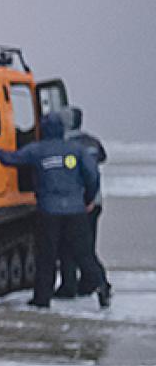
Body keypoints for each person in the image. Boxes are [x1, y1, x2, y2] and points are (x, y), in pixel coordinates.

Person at [0, 112, 110, 309]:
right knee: (84, 254)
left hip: (49, 211)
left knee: (46, 255)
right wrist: (88, 199)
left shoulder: (37, 150)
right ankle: (102, 289)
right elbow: (92, 174)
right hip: (75, 211)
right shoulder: (75, 149)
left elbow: (12, 159)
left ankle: (42, 298)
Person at [55, 106, 109, 298]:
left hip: (75, 203)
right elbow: (102, 158)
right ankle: (89, 282)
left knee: (68, 246)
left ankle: (71, 285)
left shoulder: (66, 144)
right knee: (87, 245)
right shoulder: (92, 141)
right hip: (95, 202)